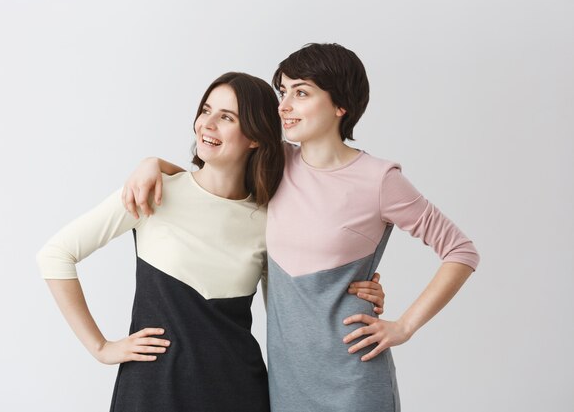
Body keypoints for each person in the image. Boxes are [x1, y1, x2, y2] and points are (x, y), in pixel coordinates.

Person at [123, 43, 480, 412]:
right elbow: (210, 187)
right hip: (285, 381)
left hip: (353, 377)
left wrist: (404, 327)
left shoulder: (379, 180)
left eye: (302, 92)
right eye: (283, 91)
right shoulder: (273, 162)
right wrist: (154, 164)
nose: (284, 106)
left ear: (341, 105)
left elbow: (461, 251)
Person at [36, 71, 386, 412]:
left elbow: (292, 308)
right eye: (205, 111)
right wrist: (100, 347)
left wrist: (352, 295)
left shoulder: (269, 219)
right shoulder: (154, 191)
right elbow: (56, 255)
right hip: (152, 391)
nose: (208, 124)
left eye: (226, 117)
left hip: (239, 391)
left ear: (255, 137)